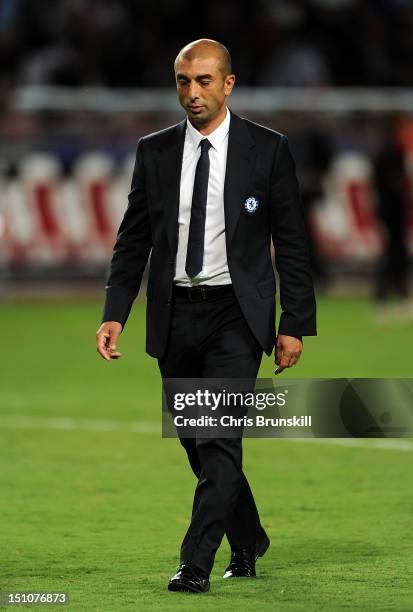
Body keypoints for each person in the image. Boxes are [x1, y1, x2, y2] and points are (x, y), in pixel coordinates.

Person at [96, 39, 317, 594]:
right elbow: (133, 241)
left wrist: (293, 322)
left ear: (229, 84)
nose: (192, 93)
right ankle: (248, 540)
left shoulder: (267, 150)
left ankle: (194, 563)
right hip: (174, 316)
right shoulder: (155, 151)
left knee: (218, 440)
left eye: (203, 81)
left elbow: (291, 243)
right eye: (182, 81)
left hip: (237, 317)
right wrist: (115, 312)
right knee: (199, 445)